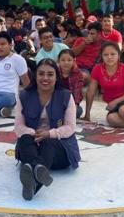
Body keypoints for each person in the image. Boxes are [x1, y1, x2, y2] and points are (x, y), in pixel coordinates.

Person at [13, 58, 81, 200]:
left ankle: (34, 169)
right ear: (35, 76)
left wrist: (49, 134)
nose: (45, 78)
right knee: (25, 138)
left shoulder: (66, 96)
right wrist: (34, 134)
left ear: (57, 77)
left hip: (59, 151)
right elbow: (18, 126)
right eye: (41, 74)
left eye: (50, 74)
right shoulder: (24, 95)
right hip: (31, 146)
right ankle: (37, 174)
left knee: (48, 142)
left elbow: (70, 127)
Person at [57, 49, 85, 118]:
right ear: (59, 61)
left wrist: (75, 105)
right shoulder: (55, 72)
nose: (66, 62)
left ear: (74, 61)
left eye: (69, 60)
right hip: (56, 101)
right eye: (63, 60)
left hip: (70, 102)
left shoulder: (78, 74)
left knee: (78, 111)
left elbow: (77, 92)